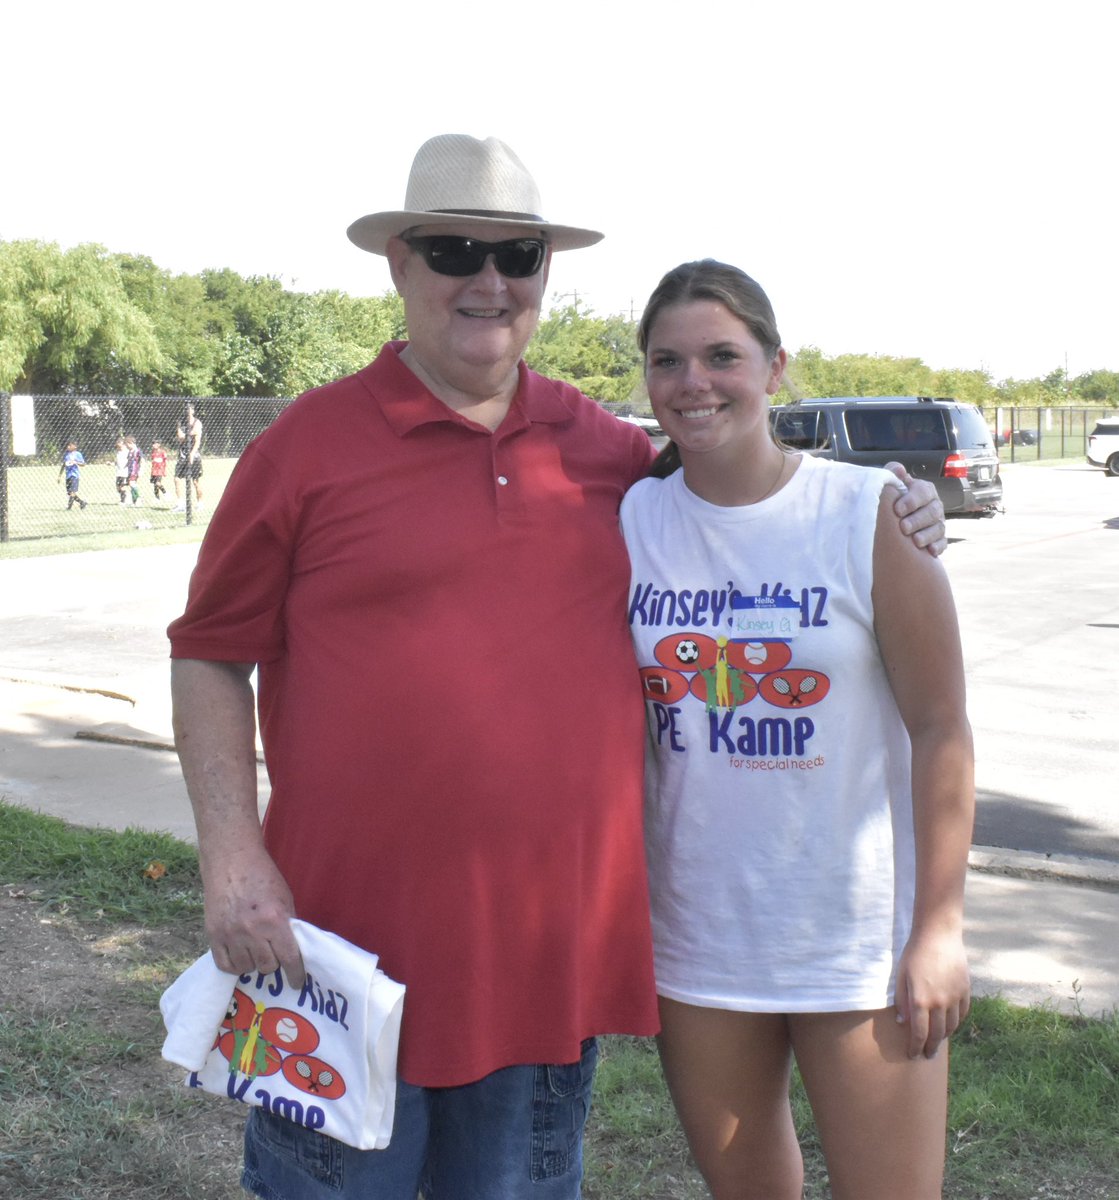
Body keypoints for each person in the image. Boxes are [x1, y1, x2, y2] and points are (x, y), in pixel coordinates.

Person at [167, 136, 947, 1200]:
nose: (489, 281)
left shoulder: (610, 456)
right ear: (401, 264)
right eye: (454, 250)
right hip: (337, 961)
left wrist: (900, 501)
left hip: (543, 970)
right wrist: (230, 856)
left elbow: (742, 486)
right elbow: (211, 652)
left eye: (520, 256)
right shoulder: (302, 449)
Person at [620, 260, 974, 1200]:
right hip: (698, 938)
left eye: (721, 356)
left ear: (775, 368)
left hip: (858, 945)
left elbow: (941, 728)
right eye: (667, 361)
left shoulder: (867, 515)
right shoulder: (630, 518)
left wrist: (937, 928)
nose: (693, 382)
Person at [173, 404, 203, 509]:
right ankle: (180, 504)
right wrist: (190, 434)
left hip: (194, 455)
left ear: (193, 411)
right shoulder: (181, 422)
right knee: (177, 478)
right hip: (183, 454)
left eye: (190, 409)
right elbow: (180, 437)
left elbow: (197, 439)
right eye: (186, 409)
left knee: (195, 481)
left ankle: (200, 503)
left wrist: (192, 453)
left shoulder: (197, 422)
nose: (187, 411)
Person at [58, 441, 88, 510]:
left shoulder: (78, 454)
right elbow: (64, 465)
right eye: (67, 445)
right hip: (68, 476)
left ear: (74, 447)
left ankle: (69, 507)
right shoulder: (67, 455)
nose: (68, 447)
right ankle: (82, 503)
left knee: (72, 492)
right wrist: (59, 475)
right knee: (69, 493)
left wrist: (76, 462)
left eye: (69, 445)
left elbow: (83, 464)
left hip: (74, 475)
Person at [125, 435, 143, 506]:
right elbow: (128, 461)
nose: (127, 447)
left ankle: (139, 498)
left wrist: (141, 470)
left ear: (131, 443)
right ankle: (134, 501)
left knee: (132, 483)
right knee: (131, 484)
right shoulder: (130, 451)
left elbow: (142, 460)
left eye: (127, 445)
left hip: (135, 471)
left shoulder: (137, 451)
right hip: (129, 471)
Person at [113, 437, 130, 504]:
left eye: (119, 445)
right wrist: (111, 463)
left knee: (122, 486)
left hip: (125, 472)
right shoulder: (118, 452)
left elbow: (130, 461)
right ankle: (126, 496)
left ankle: (123, 501)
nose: (118, 447)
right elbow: (116, 462)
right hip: (118, 472)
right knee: (118, 488)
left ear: (122, 444)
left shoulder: (127, 452)